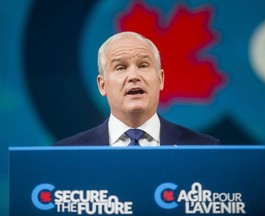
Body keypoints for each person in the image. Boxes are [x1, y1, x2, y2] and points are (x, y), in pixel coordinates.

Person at [56, 31, 219, 146]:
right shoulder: (67, 154)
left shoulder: (205, 149)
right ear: (102, 85)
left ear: (160, 79)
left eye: (143, 65)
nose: (134, 76)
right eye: (120, 68)